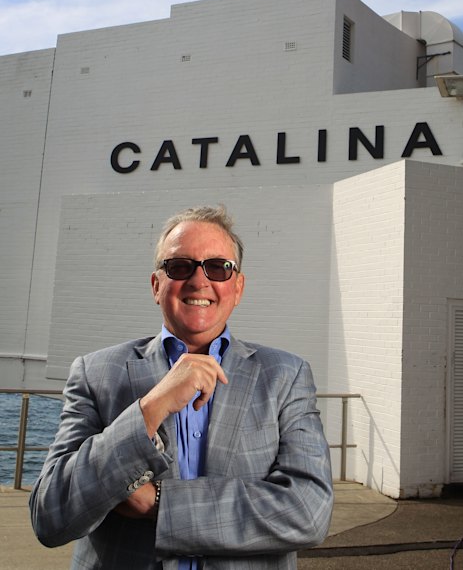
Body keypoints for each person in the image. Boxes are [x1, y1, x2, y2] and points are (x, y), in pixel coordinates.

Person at [30, 205, 333, 570]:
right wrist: (150, 408)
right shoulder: (96, 373)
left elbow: (308, 511)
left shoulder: (286, 376)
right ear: (157, 285)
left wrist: (160, 504)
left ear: (237, 288)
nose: (199, 281)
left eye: (219, 267)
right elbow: (50, 515)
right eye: (179, 266)